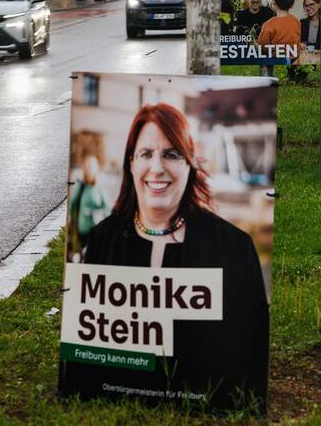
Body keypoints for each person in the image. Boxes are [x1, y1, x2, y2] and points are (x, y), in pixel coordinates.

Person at [68, 103, 269, 410]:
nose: (157, 168)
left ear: (189, 164)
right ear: (131, 164)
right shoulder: (102, 241)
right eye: (146, 154)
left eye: (171, 154)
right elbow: (84, 362)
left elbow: (249, 359)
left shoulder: (235, 247)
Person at [68, 156, 108, 256]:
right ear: (85, 170)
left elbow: (108, 209)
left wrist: (97, 213)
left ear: (96, 170)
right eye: (88, 168)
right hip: (83, 230)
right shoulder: (81, 187)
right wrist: (74, 221)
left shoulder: (99, 187)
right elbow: (72, 205)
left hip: (97, 230)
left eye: (92, 168)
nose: (90, 171)